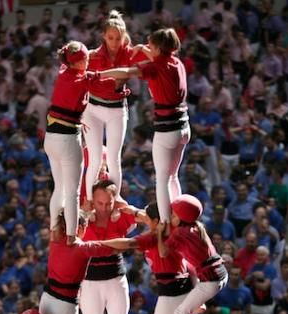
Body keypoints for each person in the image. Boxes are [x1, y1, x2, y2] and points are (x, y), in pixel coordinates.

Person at [99, 28, 190, 224]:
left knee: (163, 179)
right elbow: (159, 55)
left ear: (157, 47)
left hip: (168, 129)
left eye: (151, 45)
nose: (148, 48)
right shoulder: (176, 62)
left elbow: (127, 72)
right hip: (184, 126)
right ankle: (178, 215)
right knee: (173, 176)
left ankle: (165, 223)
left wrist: (98, 74)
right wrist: (142, 47)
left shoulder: (155, 67)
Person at [44, 41, 110, 241]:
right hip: (66, 140)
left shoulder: (63, 72)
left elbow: (77, 58)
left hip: (50, 138)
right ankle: (72, 236)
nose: (88, 60)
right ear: (78, 61)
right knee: (72, 193)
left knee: (59, 188)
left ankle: (54, 231)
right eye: (85, 59)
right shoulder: (82, 80)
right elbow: (107, 78)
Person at [157, 195, 229, 314]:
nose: (171, 217)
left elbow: (163, 253)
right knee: (189, 269)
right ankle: (200, 306)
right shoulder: (196, 226)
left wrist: (160, 233)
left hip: (210, 280)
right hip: (218, 274)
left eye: (173, 214)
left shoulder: (182, 232)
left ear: (181, 218)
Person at [79, 180, 136, 314]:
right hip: (90, 282)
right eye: (99, 203)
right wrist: (85, 213)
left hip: (115, 279)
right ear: (92, 201)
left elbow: (134, 217)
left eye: (108, 203)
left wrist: (120, 205)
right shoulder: (83, 219)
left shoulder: (120, 218)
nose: (103, 208)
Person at [83, 11, 134, 202]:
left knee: (113, 158)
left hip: (117, 109)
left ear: (124, 37)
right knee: (94, 159)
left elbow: (126, 76)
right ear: (104, 36)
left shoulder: (129, 53)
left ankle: (115, 199)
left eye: (118, 38)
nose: (114, 41)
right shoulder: (91, 56)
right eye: (110, 37)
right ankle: (89, 201)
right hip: (92, 109)